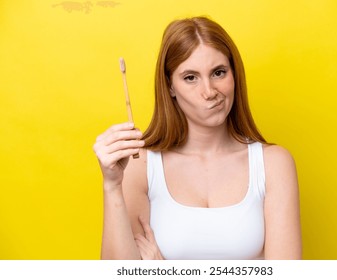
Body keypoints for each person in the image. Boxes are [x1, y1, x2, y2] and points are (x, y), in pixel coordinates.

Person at [93, 16, 301, 260]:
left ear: (235, 75)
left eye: (219, 73)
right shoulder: (140, 166)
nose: (209, 92)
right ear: (170, 86)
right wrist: (112, 186)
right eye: (190, 77)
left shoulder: (274, 164)